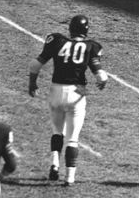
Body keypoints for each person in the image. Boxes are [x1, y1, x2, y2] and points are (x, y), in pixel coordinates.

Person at [27, 14, 109, 185]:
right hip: (77, 92)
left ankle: (55, 164)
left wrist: (32, 83)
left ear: (70, 28)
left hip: (56, 90)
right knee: (73, 138)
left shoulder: (56, 41)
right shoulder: (91, 46)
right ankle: (70, 177)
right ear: (86, 30)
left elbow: (35, 65)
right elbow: (100, 75)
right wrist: (103, 81)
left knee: (57, 132)